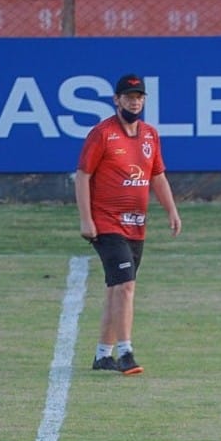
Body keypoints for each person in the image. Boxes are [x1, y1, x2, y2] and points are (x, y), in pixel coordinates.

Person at [74, 73, 182, 375]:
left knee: (115, 289)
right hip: (107, 223)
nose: (134, 102)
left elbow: (157, 175)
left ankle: (102, 355)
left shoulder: (149, 134)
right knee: (126, 285)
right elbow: (83, 176)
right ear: (117, 100)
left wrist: (171, 210)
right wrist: (86, 218)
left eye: (139, 97)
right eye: (128, 97)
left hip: (137, 224)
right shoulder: (102, 134)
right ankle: (126, 352)